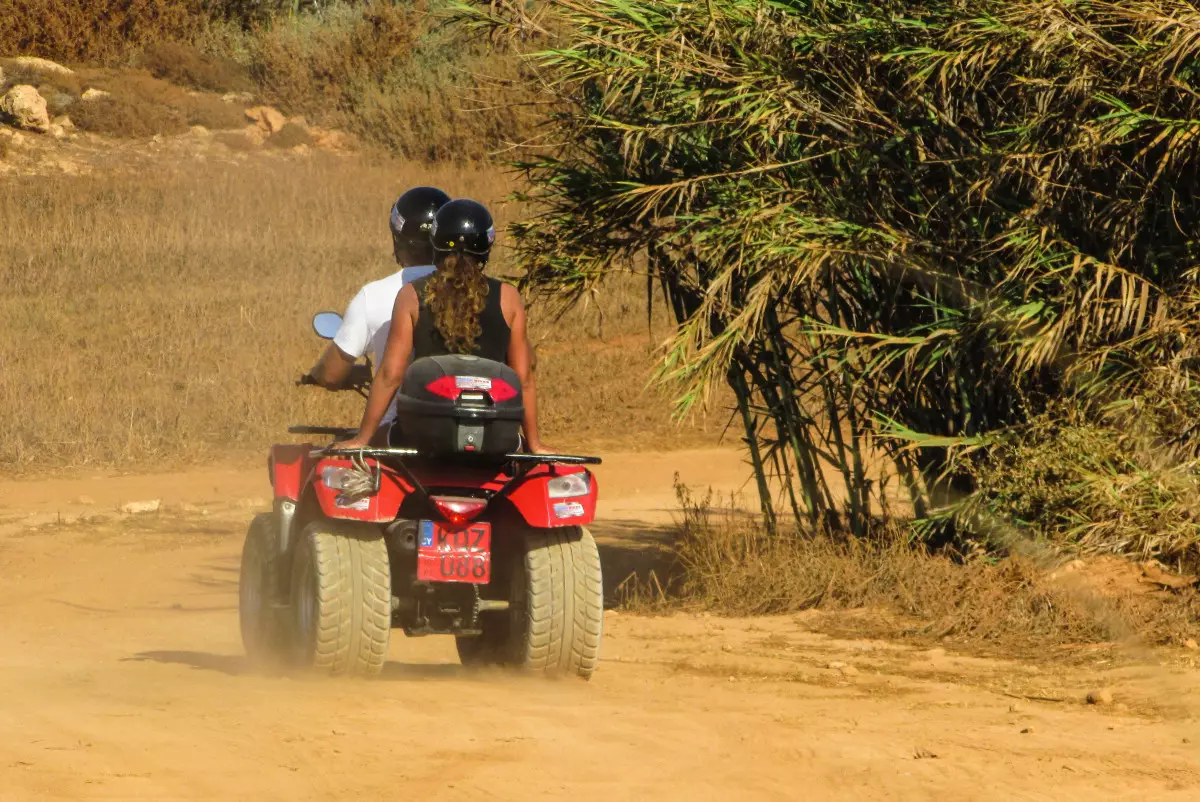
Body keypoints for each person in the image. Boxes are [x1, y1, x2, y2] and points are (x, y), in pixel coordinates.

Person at [337, 199, 549, 454]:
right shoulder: (509, 297)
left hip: (422, 435)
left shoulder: (411, 296)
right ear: (486, 247)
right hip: (495, 437)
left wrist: (362, 438)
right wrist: (534, 444)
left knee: (372, 440)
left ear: (435, 242)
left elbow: (390, 375)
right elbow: (524, 379)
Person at [302, 186, 451, 438]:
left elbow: (332, 374)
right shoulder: (480, 293)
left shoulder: (377, 295)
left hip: (400, 434)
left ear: (399, 241)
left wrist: (315, 375)